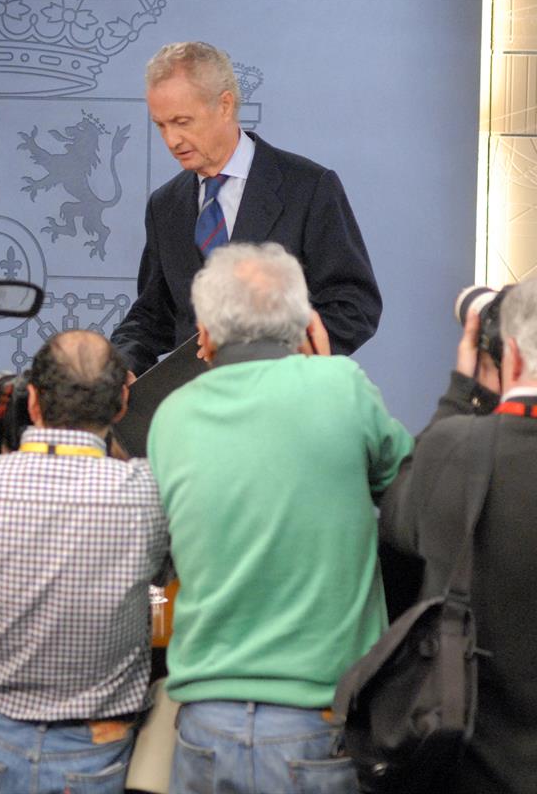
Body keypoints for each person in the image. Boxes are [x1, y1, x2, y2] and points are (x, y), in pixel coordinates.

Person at [145, 243, 412, 794]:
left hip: (202, 720)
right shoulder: (342, 387)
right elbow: (412, 495)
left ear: (204, 331)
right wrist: (327, 369)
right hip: (316, 715)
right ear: (306, 320)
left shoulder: (172, 416)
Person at [0, 330, 170, 794]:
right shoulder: (147, 492)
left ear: (34, 402)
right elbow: (159, 580)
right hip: (97, 742)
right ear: (120, 407)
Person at [111, 41, 381, 374]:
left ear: (225, 105)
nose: (171, 140)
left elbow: (354, 306)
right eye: (161, 125)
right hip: (197, 406)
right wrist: (120, 363)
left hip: (283, 399)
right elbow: (154, 315)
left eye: (182, 122)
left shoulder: (308, 187)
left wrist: (276, 355)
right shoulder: (165, 205)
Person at [378, 280, 537, 793]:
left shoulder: (455, 449)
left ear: (509, 355)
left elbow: (398, 524)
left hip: (476, 764)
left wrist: (460, 393)